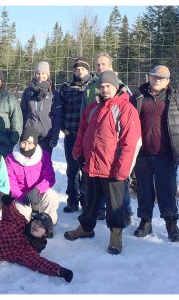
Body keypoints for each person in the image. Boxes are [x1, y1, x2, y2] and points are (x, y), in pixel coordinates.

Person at [64, 70, 141, 255]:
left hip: (113, 169)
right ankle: (86, 228)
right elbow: (82, 134)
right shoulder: (92, 109)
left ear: (116, 87)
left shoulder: (125, 108)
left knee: (115, 206)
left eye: (108, 86)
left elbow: (130, 142)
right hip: (91, 165)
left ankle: (116, 235)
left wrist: (122, 169)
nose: (105, 89)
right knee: (90, 202)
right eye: (102, 86)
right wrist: (79, 154)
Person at [131, 65, 179, 242]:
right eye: (154, 76)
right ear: (149, 77)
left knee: (167, 190)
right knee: (143, 189)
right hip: (142, 154)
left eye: (161, 78)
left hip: (166, 155)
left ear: (167, 81)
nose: (157, 80)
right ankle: (145, 221)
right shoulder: (137, 98)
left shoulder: (178, 100)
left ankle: (171, 224)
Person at [83, 52, 133, 224]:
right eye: (97, 65)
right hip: (94, 157)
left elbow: (129, 138)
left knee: (117, 195)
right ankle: (89, 224)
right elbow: (85, 126)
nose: (100, 67)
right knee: (92, 196)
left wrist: (124, 166)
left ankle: (120, 223)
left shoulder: (124, 100)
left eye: (103, 64)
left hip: (113, 160)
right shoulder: (91, 96)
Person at [59, 57, 95, 213]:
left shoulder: (96, 85)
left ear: (88, 69)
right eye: (77, 69)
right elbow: (58, 110)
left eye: (83, 69)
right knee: (72, 169)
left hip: (90, 136)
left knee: (87, 169)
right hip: (72, 134)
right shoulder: (66, 87)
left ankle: (86, 200)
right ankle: (72, 200)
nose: (80, 72)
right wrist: (64, 129)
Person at [5, 128, 59, 232]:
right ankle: (27, 227)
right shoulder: (10, 159)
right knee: (19, 213)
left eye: (30, 143)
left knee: (51, 196)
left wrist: (37, 190)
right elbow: (11, 182)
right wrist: (22, 197)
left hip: (38, 194)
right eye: (23, 143)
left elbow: (49, 177)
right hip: (21, 197)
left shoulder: (44, 156)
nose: (26, 147)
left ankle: (47, 225)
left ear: (35, 144)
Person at [21, 61, 62, 155]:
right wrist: (22, 132)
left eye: (43, 73)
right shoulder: (28, 92)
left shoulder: (53, 94)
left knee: (44, 164)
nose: (40, 76)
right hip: (30, 135)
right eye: (38, 73)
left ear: (48, 75)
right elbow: (22, 112)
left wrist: (55, 136)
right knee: (29, 164)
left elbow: (57, 116)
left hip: (46, 136)